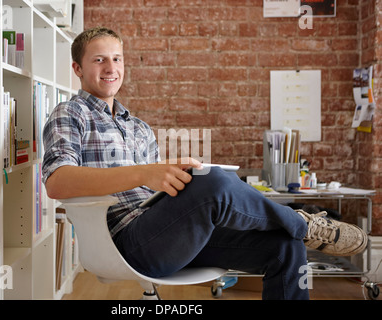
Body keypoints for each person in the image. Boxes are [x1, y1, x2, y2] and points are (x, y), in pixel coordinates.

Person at [42, 27, 368, 300]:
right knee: (213, 182)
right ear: (78, 69)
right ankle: (302, 222)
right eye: (99, 60)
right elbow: (57, 181)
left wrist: (173, 175)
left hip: (163, 229)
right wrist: (147, 173)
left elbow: (153, 189)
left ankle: (296, 228)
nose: (110, 68)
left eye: (117, 59)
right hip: (125, 241)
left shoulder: (137, 126)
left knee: (284, 246)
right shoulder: (69, 114)